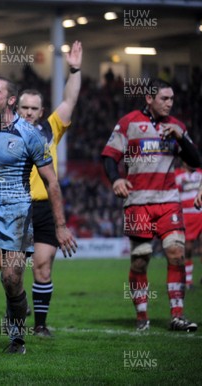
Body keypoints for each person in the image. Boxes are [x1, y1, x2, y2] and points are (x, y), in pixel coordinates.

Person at [0, 76, 77, 355]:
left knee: (11, 279)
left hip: (17, 215)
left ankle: (18, 335)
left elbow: (52, 183)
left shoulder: (30, 135)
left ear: (10, 100)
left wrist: (61, 226)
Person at [101, 78, 200, 332]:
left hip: (168, 202)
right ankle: (142, 317)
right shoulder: (129, 123)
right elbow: (109, 157)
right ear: (149, 98)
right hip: (137, 203)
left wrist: (181, 138)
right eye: (164, 99)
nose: (169, 103)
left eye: (171, 99)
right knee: (140, 260)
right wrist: (116, 179)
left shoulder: (176, 127)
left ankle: (177, 315)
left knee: (176, 254)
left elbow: (196, 159)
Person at [16, 40, 82, 337]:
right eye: (24, 108)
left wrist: (75, 69)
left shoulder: (50, 129)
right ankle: (15, 319)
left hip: (44, 208)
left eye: (33, 108)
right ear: (15, 108)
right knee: (12, 270)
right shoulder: (4, 132)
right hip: (15, 206)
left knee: (43, 266)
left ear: (41, 112)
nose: (29, 113)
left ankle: (40, 326)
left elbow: (69, 100)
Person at [174, 162, 202, 289]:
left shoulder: (200, 173)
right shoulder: (177, 175)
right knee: (188, 248)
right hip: (186, 215)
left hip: (200, 213)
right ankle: (189, 281)